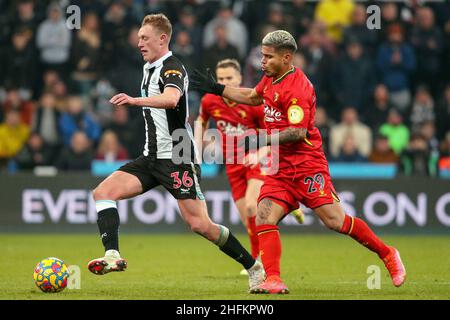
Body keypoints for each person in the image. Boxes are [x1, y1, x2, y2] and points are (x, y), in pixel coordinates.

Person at [191, 30, 406, 294]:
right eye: (262, 55)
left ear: (287, 57)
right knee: (264, 215)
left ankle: (387, 253)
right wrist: (218, 88)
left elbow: (298, 132)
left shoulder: (298, 88)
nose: (262, 61)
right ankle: (273, 278)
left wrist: (260, 138)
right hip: (280, 168)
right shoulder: (271, 78)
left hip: (307, 166)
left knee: (335, 222)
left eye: (268, 57)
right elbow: (253, 97)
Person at [87, 14, 265, 291]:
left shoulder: (172, 67)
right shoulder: (148, 68)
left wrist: (134, 100)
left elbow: (172, 99)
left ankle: (253, 266)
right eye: (138, 38)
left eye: (144, 38)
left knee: (200, 225)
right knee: (102, 193)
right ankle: (113, 255)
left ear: (162, 39)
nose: (139, 43)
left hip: (178, 156)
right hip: (151, 157)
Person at [196, 58, 304, 274]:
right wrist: (198, 147)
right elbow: (201, 120)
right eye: (221, 78)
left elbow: (273, 134)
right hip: (232, 163)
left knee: (252, 207)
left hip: (257, 159)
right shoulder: (209, 101)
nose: (225, 82)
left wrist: (260, 153)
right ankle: (287, 213)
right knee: (248, 219)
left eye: (229, 78)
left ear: (239, 79)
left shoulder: (253, 104)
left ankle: (259, 260)